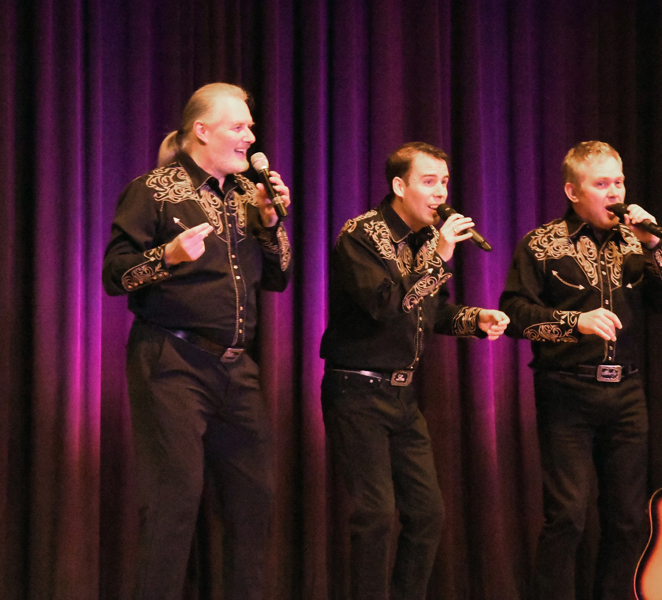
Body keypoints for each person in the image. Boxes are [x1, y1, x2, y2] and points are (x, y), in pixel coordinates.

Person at [102, 83, 293, 600]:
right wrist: (167, 258)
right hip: (172, 360)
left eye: (250, 127)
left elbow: (278, 279)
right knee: (174, 503)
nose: (251, 137)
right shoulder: (154, 189)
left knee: (255, 501)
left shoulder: (243, 197)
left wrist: (271, 221)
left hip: (235, 369)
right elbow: (114, 275)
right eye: (239, 127)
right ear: (201, 131)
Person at [320, 141, 510, 600]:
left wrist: (474, 320)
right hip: (357, 390)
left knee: (427, 515)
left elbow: (430, 310)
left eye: (444, 181)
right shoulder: (360, 236)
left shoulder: (426, 240)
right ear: (399, 186)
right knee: (376, 514)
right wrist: (439, 258)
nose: (441, 192)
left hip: (403, 397)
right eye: (429, 182)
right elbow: (386, 304)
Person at [499, 140, 662, 600]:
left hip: (627, 394)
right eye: (601, 184)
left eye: (618, 182)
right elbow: (514, 314)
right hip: (567, 392)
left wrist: (655, 246)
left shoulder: (635, 241)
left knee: (626, 521)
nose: (614, 192)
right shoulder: (541, 244)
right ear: (573, 191)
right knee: (568, 517)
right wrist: (572, 323)